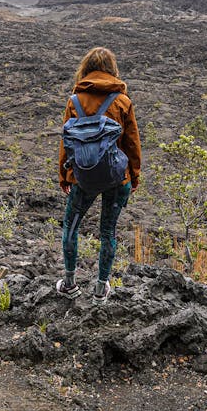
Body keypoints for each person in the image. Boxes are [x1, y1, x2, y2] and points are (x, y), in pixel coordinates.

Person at [57, 46, 141, 303]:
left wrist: (65, 175)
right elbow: (132, 143)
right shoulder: (123, 101)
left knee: (71, 227)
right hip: (117, 177)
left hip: (84, 178)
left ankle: (70, 283)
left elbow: (66, 143)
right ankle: (100, 288)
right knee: (108, 232)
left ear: (86, 69)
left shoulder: (74, 101)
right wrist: (134, 176)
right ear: (111, 70)